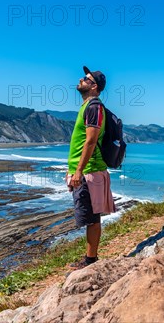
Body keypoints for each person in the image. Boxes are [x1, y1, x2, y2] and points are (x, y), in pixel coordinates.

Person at [66, 66, 116, 269]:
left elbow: (90, 141)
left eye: (86, 79)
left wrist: (78, 171)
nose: (81, 79)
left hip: (89, 171)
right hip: (86, 170)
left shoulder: (94, 107)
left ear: (94, 86)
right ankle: (90, 258)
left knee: (92, 218)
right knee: (89, 216)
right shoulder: (87, 106)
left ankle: (90, 260)